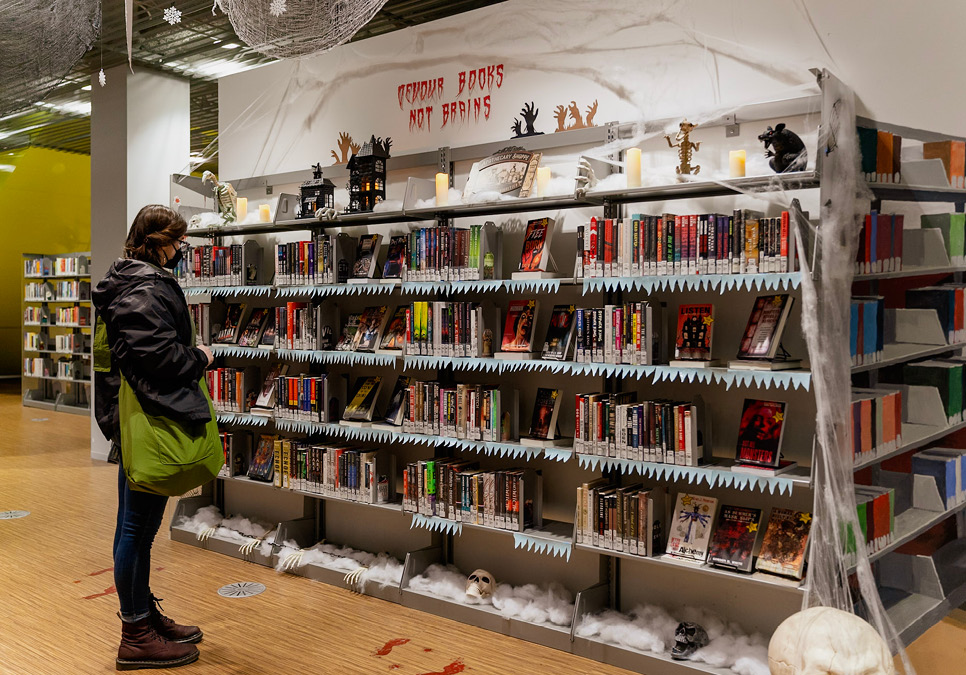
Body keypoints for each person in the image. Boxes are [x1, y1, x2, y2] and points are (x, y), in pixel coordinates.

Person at [92, 205, 214, 670]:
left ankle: (144, 617)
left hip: (137, 418)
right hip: (148, 419)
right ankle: (136, 634)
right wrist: (200, 357)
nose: (181, 250)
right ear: (156, 242)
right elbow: (159, 360)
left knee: (138, 530)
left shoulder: (127, 282)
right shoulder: (143, 289)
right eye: (176, 241)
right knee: (135, 529)